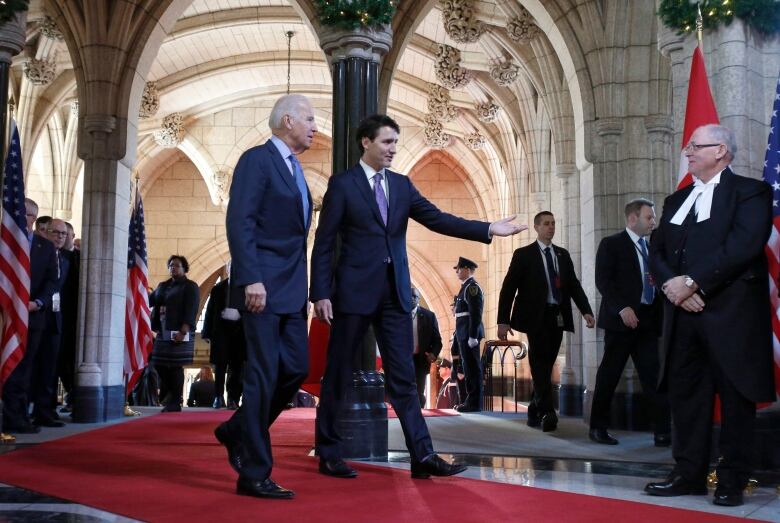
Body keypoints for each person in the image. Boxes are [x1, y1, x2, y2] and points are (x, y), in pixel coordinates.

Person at [310, 113, 526, 480]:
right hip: (352, 294)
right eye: (387, 142)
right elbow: (325, 242)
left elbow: (439, 219)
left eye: (396, 142)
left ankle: (422, 456)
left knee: (404, 380)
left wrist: (489, 228)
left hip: (395, 295)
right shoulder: (343, 185)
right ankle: (329, 452)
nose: (393, 149)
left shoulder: (402, 185)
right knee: (338, 374)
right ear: (366, 142)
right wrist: (321, 293)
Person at [644, 124, 775, 507]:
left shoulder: (751, 192)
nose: (688, 151)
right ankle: (688, 473)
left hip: (731, 314)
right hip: (683, 315)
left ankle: (732, 479)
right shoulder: (676, 199)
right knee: (687, 396)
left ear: (720, 150)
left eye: (695, 146)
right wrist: (674, 287)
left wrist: (695, 283)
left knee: (736, 398)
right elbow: (658, 250)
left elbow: (744, 245)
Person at [217, 93, 315, 500]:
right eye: (309, 118)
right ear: (287, 121)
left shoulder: (296, 170)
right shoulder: (257, 160)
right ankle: (254, 472)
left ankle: (238, 428)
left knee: (295, 369)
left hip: (292, 290)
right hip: (263, 288)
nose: (314, 125)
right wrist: (250, 279)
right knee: (262, 374)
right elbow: (240, 221)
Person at [497, 211, 595, 433]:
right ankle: (548, 413)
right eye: (546, 224)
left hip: (557, 316)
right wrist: (503, 320)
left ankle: (534, 407)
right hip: (535, 317)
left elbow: (573, 285)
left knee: (546, 363)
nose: (551, 227)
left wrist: (586, 310)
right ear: (536, 227)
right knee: (539, 361)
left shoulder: (562, 254)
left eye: (553, 223)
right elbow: (509, 287)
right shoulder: (524, 255)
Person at [589, 199, 670, 446]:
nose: (653, 222)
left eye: (654, 217)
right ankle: (598, 427)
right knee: (609, 375)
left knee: (653, 376)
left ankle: (663, 430)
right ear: (633, 218)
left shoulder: (651, 247)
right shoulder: (612, 244)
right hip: (621, 322)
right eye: (649, 217)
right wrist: (622, 308)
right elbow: (604, 281)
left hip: (646, 322)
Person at [1, 199, 58, 434]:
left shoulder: (45, 247)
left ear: (34, 219)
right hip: (5, 316)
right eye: (20, 212)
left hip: (32, 317)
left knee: (22, 368)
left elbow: (52, 282)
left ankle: (16, 417)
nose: (23, 216)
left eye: (28, 214)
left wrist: (38, 303)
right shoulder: (4, 240)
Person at [31, 219, 71, 427]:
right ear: (45, 232)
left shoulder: (65, 260)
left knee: (49, 368)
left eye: (63, 234)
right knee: (30, 366)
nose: (59, 237)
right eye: (56, 233)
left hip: (55, 320)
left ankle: (44, 411)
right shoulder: (35, 253)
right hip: (35, 315)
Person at [149, 255, 199, 413]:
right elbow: (150, 300)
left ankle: (175, 402)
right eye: (171, 265)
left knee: (175, 366)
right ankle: (173, 396)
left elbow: (191, 309)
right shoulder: (163, 285)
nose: (173, 268)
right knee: (158, 363)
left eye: (177, 265)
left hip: (180, 330)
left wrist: (183, 330)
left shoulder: (190, 286)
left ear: (184, 268)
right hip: (163, 331)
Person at [202, 268, 245, 409]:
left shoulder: (246, 287)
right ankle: (218, 397)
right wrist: (206, 332)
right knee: (220, 367)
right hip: (221, 333)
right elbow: (209, 311)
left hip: (240, 333)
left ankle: (233, 398)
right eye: (231, 267)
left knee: (237, 368)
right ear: (228, 269)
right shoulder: (218, 288)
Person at [452, 257, 485, 412]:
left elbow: (475, 312)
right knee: (468, 367)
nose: (457, 272)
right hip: (464, 332)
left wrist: (472, 336)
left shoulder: (472, 287)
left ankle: (474, 402)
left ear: (466, 269)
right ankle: (471, 400)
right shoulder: (465, 287)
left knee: (472, 368)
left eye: (459, 269)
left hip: (469, 334)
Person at [411, 287, 442, 408]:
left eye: (414, 297)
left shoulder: (429, 316)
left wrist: (433, 354)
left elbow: (437, 340)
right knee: (405, 388)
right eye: (409, 296)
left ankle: (418, 412)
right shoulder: (400, 316)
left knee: (419, 390)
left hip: (420, 359)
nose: (411, 299)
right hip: (403, 359)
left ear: (418, 299)